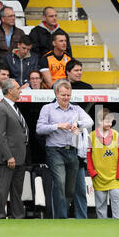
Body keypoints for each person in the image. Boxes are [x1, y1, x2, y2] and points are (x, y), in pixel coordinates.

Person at [36, 79, 93, 219]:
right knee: (59, 183)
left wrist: (77, 123)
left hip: (72, 151)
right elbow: (39, 129)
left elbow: (90, 121)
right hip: (54, 151)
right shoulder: (47, 108)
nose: (66, 98)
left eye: (68, 95)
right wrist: (57, 126)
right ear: (56, 94)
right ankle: (60, 218)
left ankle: (64, 213)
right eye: (63, 95)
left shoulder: (77, 109)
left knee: (70, 188)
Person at [0, 78, 28, 219]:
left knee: (17, 189)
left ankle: (17, 215)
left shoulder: (13, 106)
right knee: (3, 188)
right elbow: (0, 136)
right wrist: (9, 156)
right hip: (9, 158)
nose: (20, 91)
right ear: (10, 91)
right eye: (18, 88)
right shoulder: (1, 108)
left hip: (19, 156)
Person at [87, 108, 119, 219]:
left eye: (111, 121)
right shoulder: (92, 136)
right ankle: (102, 226)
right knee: (100, 205)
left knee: (116, 200)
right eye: (106, 121)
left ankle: (118, 223)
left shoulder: (116, 135)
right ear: (99, 121)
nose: (109, 123)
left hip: (114, 177)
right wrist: (92, 172)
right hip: (98, 177)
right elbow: (88, 156)